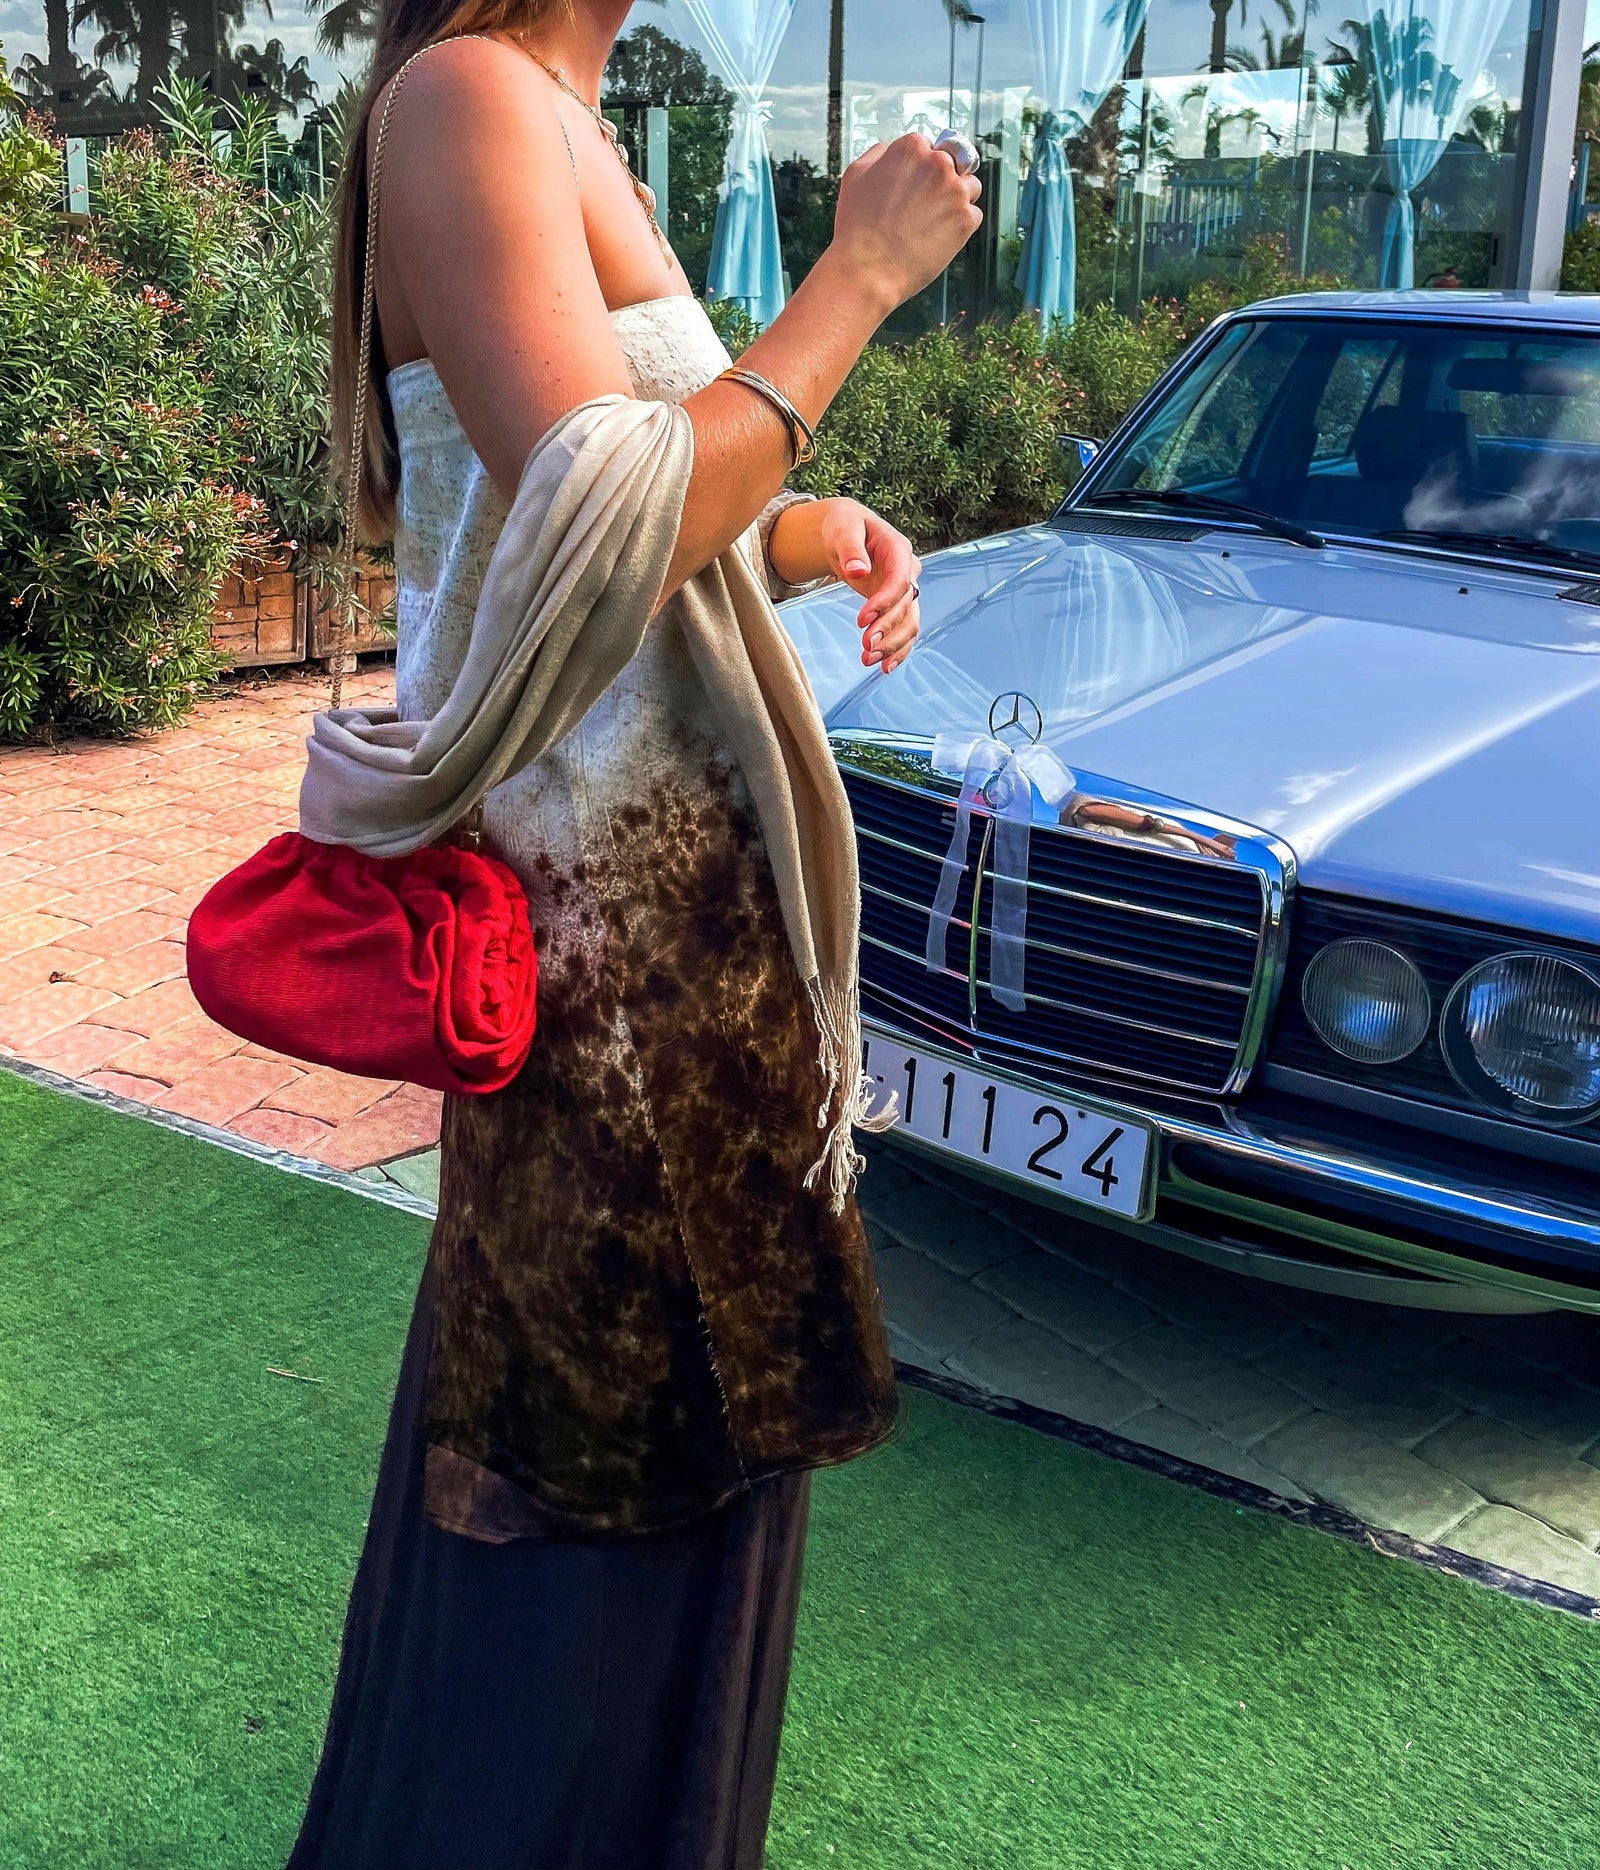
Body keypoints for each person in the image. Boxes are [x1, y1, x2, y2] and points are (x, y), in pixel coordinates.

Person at [287, 4, 981, 1865]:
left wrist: (806, 527)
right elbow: (599, 513)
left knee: (695, 1496)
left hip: (702, 956)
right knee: (576, 1523)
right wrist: (854, 282)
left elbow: (640, 515)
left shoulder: (573, 117)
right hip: (600, 975)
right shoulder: (465, 97)